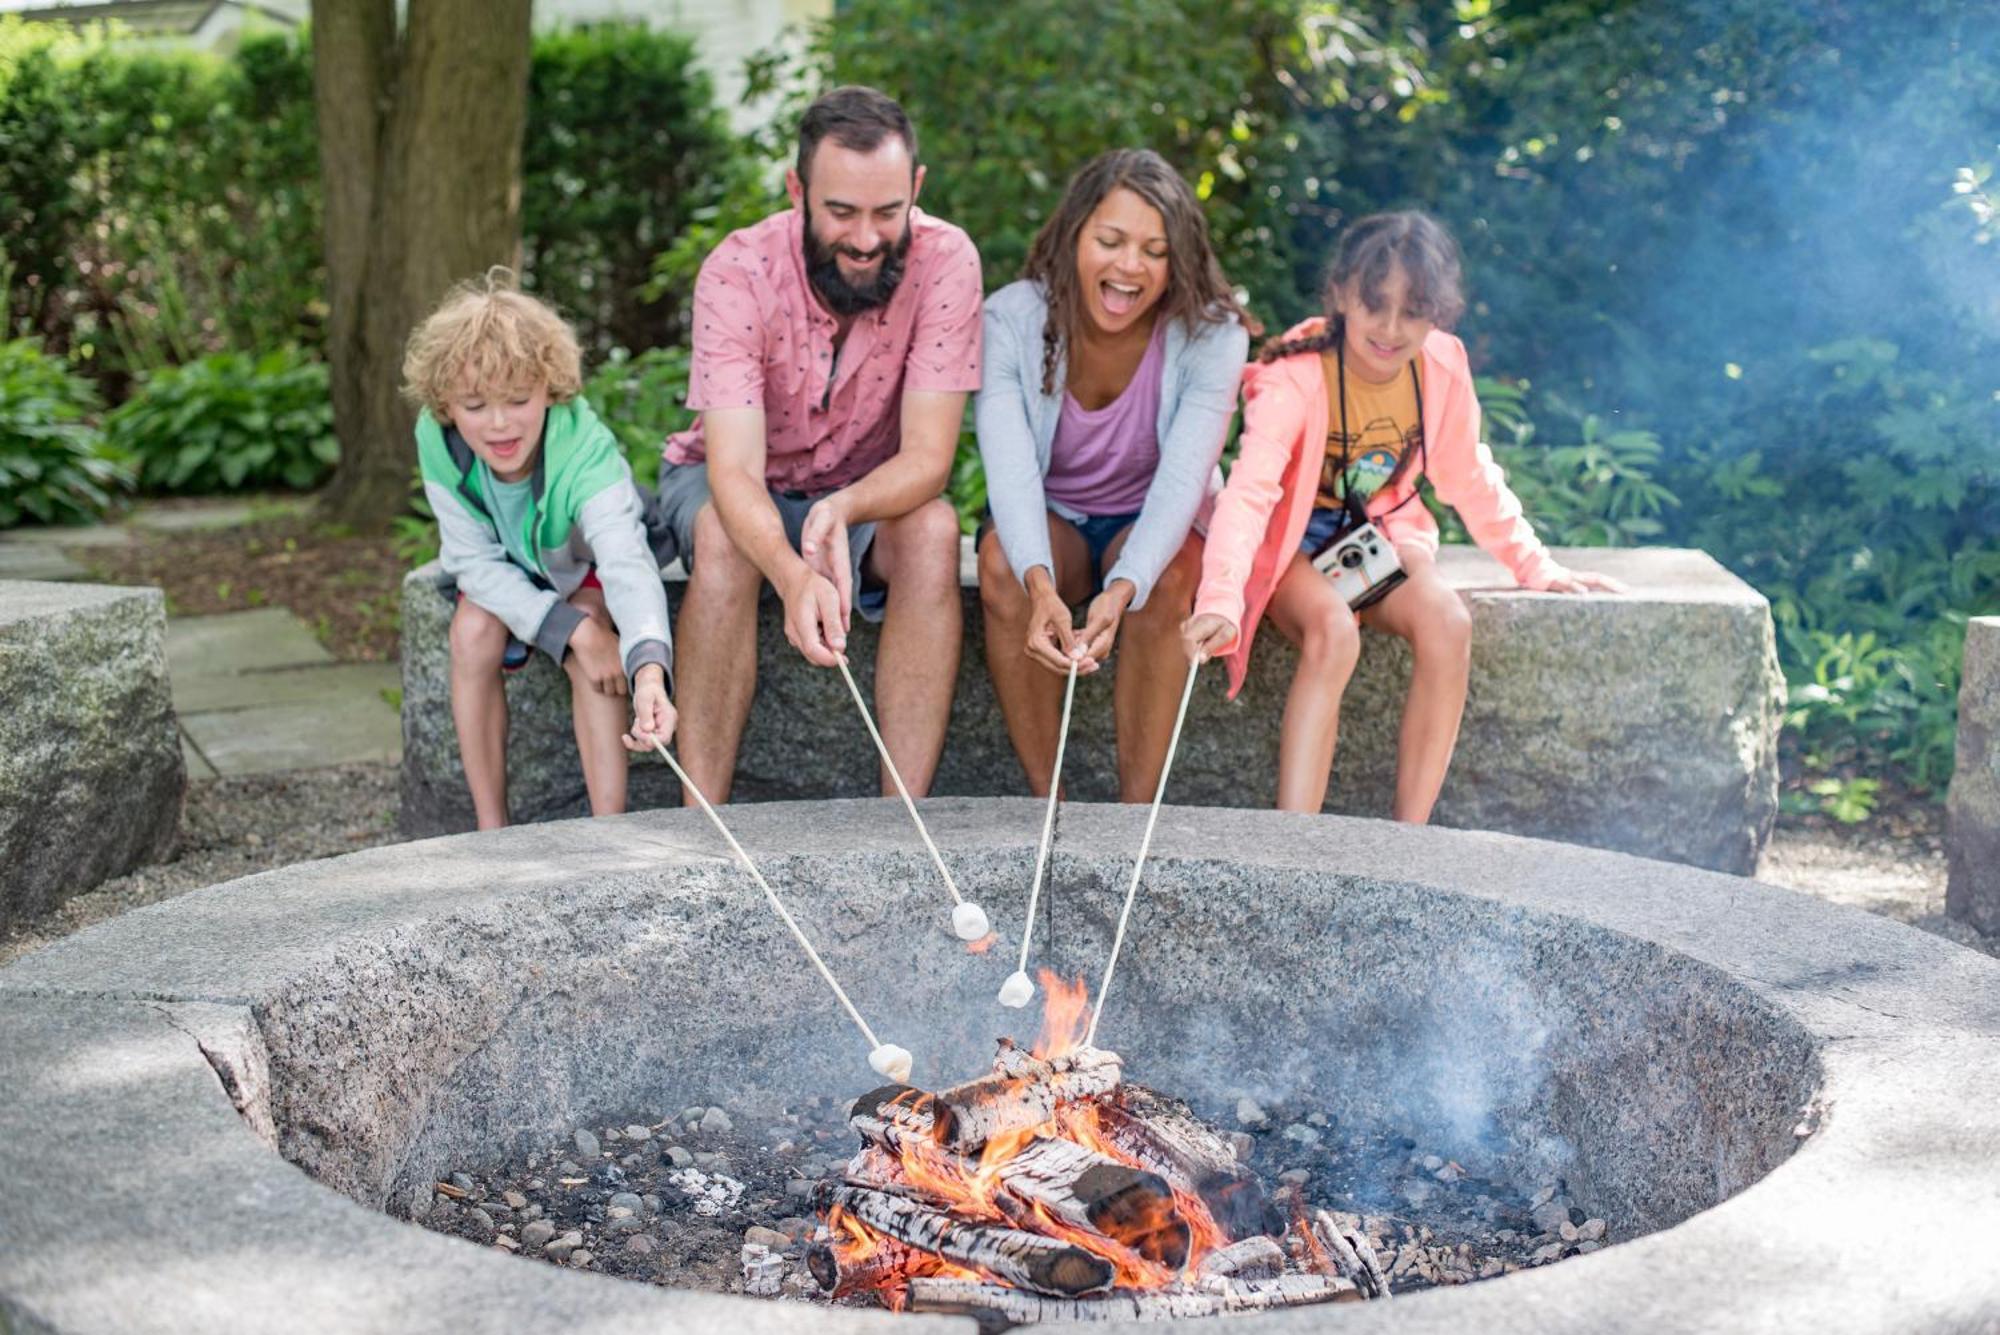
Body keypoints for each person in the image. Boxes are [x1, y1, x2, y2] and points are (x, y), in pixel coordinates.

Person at [1182, 212, 1622, 819]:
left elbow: (1467, 473)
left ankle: (1407, 839)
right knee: (1334, 630)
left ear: (1438, 311)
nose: (1391, 329)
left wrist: (1533, 564)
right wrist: (1221, 600)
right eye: (1375, 305)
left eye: (1413, 310)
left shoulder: (1437, 366)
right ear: (1341, 295)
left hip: (1371, 540)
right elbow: (1250, 493)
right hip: (1292, 548)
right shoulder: (1295, 378)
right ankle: (1290, 848)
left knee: (1447, 621)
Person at [656, 85, 980, 804]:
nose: (866, 239)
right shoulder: (736, 272)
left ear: (916, 188)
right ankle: (700, 826)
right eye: (841, 212)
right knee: (719, 537)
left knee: (933, 530)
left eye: (887, 212)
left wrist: (844, 507)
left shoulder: (949, 261)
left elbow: (928, 460)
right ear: (797, 190)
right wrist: (792, 572)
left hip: (867, 483)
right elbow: (732, 469)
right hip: (735, 479)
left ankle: (903, 819)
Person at [976, 149, 1252, 800]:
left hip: (1149, 521)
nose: (1130, 266)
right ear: (1075, 235)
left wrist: (1125, 586)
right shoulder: (1010, 320)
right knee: (999, 569)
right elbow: (1010, 473)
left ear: (1177, 261)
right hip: (1056, 520)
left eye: (1154, 251)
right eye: (1111, 240)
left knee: (1172, 575)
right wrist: (1042, 590)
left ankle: (1134, 816)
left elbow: (1185, 479)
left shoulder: (1213, 334)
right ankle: (1053, 803)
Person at [407, 270, 677, 830]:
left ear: (549, 389)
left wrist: (647, 667)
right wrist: (566, 628)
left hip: (584, 566)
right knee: (472, 632)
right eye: (476, 405)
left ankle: (610, 829)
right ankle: (491, 828)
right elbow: (470, 561)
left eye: (518, 399)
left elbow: (625, 560)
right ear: (446, 405)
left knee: (594, 645)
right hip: (507, 565)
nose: (500, 423)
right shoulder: (436, 439)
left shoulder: (585, 451)